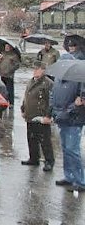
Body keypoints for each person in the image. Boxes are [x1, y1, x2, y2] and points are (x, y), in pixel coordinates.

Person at [49, 55, 85, 193]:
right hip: (61, 119)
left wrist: (66, 111)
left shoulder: (79, 80)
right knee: (65, 148)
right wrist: (53, 110)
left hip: (74, 120)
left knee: (72, 150)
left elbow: (79, 102)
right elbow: (52, 95)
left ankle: (80, 181)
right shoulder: (58, 78)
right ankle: (69, 176)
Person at [20, 61, 54, 171]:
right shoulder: (31, 81)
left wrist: (48, 116)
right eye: (34, 68)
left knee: (45, 140)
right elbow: (26, 96)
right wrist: (23, 108)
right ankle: (34, 158)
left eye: (37, 69)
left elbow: (51, 101)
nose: (34, 71)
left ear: (43, 70)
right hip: (30, 115)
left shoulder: (47, 83)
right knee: (31, 138)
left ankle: (49, 161)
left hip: (41, 116)